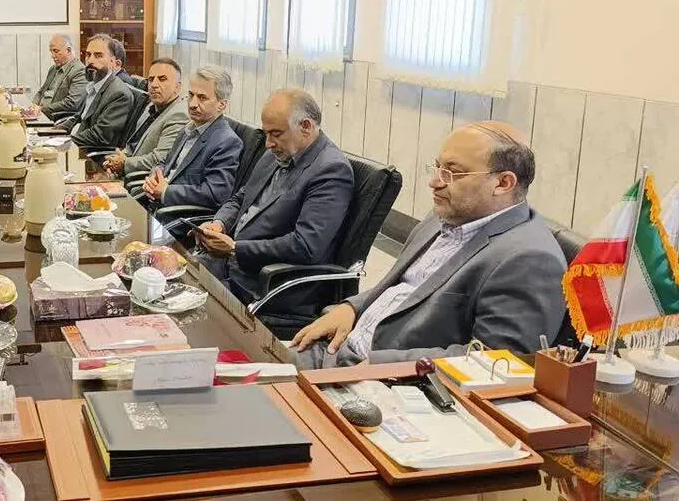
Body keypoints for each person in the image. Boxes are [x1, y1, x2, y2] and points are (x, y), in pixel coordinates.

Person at [292, 121, 567, 369]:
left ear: (503, 183)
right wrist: (352, 307)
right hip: (339, 347)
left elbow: (495, 361)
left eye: (453, 173)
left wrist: (382, 365)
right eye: (438, 167)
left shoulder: (530, 260)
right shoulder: (446, 215)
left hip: (382, 379)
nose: (435, 182)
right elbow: (399, 288)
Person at [197, 90, 354, 310]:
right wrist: (219, 223)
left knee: (187, 302)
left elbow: (305, 246)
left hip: (266, 283)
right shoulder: (276, 151)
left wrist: (235, 249)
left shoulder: (331, 170)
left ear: (306, 127)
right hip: (228, 264)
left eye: (276, 134)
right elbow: (242, 197)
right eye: (266, 134)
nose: (268, 143)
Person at [141, 64, 242, 210]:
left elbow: (215, 193)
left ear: (221, 105)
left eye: (202, 98)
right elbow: (165, 162)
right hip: (153, 204)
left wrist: (166, 192)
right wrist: (154, 177)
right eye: (191, 95)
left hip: (176, 215)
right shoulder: (187, 129)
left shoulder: (227, 142)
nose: (193, 104)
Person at [103, 58, 187, 178]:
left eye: (162, 79)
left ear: (178, 87)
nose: (154, 85)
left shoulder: (179, 115)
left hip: (143, 183)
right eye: (151, 79)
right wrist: (116, 158)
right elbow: (134, 146)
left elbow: (160, 159)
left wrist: (124, 163)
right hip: (125, 174)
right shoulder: (151, 107)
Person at [53, 34, 136, 150]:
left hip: (88, 153)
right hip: (75, 143)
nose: (90, 60)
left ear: (112, 62)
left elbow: (99, 136)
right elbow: (80, 117)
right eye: (88, 55)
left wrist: (63, 141)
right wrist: (55, 131)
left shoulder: (118, 94)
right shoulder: (93, 85)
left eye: (98, 55)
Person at [32, 34, 87, 120]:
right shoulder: (53, 69)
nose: (53, 56)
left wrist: (42, 109)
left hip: (58, 119)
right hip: (41, 115)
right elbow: (41, 92)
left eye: (56, 51)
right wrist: (33, 106)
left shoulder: (80, 71)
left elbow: (72, 103)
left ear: (68, 50)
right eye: (51, 52)